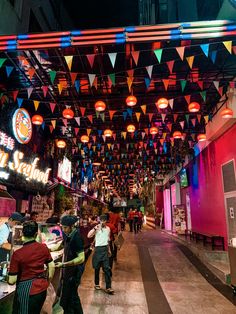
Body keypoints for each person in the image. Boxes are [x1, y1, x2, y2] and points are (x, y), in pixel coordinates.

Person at [8, 221, 55, 314]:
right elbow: (52, 266)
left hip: (27, 292)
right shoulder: (43, 248)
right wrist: (47, 281)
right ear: (36, 234)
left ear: (22, 233)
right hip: (41, 290)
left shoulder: (17, 254)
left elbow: (12, 280)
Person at [55, 215, 85, 314]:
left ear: (72, 226)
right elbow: (61, 245)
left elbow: (81, 258)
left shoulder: (76, 237)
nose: (63, 230)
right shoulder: (68, 235)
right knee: (71, 297)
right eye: (62, 227)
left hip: (74, 273)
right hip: (68, 271)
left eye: (65, 228)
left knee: (71, 298)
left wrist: (64, 264)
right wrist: (46, 249)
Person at [87, 214, 114, 294]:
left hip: (105, 249)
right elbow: (89, 236)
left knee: (107, 268)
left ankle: (108, 287)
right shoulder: (97, 228)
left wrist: (109, 250)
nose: (103, 222)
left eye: (104, 220)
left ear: (106, 221)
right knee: (97, 268)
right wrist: (95, 228)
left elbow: (108, 240)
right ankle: (96, 283)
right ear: (99, 221)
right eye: (101, 220)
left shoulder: (108, 229)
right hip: (98, 250)